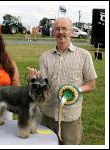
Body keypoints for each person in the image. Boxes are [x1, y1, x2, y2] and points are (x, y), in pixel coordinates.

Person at [39, 17, 97, 145]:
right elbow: (43, 85)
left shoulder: (84, 55)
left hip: (70, 118)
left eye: (64, 28)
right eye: (57, 29)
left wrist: (76, 90)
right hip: (47, 115)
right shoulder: (45, 56)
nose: (61, 32)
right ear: (53, 32)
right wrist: (36, 79)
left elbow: (91, 85)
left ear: (71, 32)